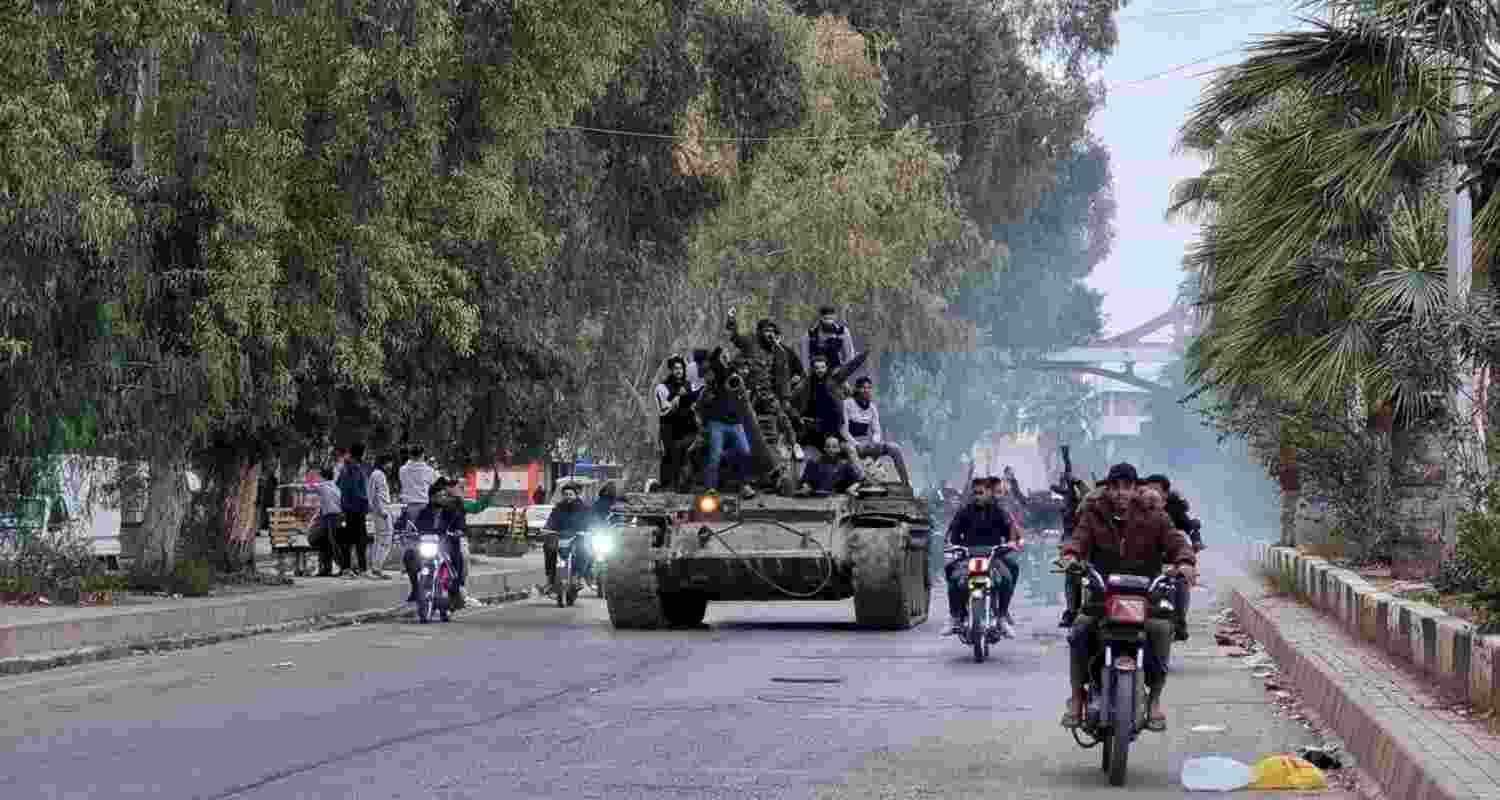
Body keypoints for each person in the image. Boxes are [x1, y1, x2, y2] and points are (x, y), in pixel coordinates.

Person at [1058, 463, 1197, 732]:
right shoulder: (1093, 514)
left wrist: (1185, 561)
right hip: (1103, 595)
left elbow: (1175, 541)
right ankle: (1077, 698)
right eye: (1116, 487)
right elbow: (1079, 539)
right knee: (1080, 629)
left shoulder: (1155, 516)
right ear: (1107, 490)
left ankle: (1155, 700)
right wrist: (1071, 556)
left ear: (1136, 490)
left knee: (1161, 629)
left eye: (1127, 487)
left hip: (1146, 597)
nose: (1122, 493)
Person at [943, 476, 1020, 638]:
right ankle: (955, 616)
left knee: (1008, 575)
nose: (977, 496)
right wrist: (951, 544)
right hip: (968, 555)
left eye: (981, 493)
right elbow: (953, 533)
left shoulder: (1000, 511)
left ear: (989, 493)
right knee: (953, 575)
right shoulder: (965, 511)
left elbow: (1011, 530)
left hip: (993, 555)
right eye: (975, 493)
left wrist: (1012, 543)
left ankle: (1002, 617)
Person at [1143, 474, 1202, 641]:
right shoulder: (1134, 511)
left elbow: (1181, 537)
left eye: (1156, 491)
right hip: (1143, 562)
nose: (1151, 494)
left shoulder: (1172, 513)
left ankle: (1179, 622)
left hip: (1168, 559)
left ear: (1166, 496)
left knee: (1180, 582)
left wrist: (1186, 558)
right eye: (1147, 490)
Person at [696, 347, 756, 499]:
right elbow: (712, 369)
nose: (726, 358)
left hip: (735, 423)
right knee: (714, 455)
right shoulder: (717, 373)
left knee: (745, 451)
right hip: (717, 423)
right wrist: (717, 357)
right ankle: (711, 488)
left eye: (727, 355)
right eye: (723, 356)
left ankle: (744, 485)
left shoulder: (735, 373)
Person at [400, 478, 469, 606]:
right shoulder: (424, 512)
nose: (441, 498)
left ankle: (454, 590)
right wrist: (406, 532)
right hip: (427, 547)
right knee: (409, 555)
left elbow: (460, 523)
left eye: (442, 495)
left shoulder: (452, 511)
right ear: (431, 498)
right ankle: (416, 589)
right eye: (437, 496)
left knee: (457, 557)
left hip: (446, 545)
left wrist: (459, 530)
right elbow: (414, 526)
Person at [842, 376, 911, 486]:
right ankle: (864, 480)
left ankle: (905, 482)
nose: (866, 390)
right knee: (851, 448)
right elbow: (844, 430)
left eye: (869, 388)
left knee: (894, 447)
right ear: (857, 389)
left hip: (867, 444)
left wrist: (875, 442)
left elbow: (877, 430)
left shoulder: (872, 407)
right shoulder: (847, 404)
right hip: (851, 443)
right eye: (863, 388)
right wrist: (856, 444)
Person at [656, 355, 702, 492]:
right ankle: (669, 485)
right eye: (675, 368)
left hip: (689, 428)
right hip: (671, 428)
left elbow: (697, 401)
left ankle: (687, 484)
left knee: (688, 453)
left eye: (681, 368)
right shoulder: (663, 387)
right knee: (669, 456)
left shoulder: (689, 385)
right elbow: (664, 411)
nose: (679, 371)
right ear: (670, 370)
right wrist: (677, 397)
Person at [541, 483, 593, 593]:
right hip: (560, 537)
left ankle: (577, 577)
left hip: (577, 537)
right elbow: (551, 521)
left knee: (584, 550)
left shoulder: (584, 508)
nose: (568, 496)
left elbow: (588, 522)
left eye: (570, 494)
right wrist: (546, 529)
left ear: (576, 495)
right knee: (548, 547)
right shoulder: (558, 508)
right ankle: (550, 579)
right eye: (565, 494)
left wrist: (586, 531)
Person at [336, 443, 373, 578]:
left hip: (349, 509)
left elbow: (339, 487)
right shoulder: (353, 469)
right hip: (355, 509)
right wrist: (366, 503)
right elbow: (358, 491)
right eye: (364, 453)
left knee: (352, 540)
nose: (366, 455)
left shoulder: (346, 468)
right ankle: (358, 569)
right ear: (360, 454)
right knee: (358, 540)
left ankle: (350, 568)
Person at [798, 435, 865, 495]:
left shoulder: (845, 465)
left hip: (836, 499)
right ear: (824, 448)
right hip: (816, 499)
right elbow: (804, 480)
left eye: (834, 447)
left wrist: (852, 488)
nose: (831, 449)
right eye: (828, 447)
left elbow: (859, 481)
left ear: (839, 449)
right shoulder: (813, 463)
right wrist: (806, 487)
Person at [366, 456, 396, 580]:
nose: (391, 466)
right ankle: (377, 568)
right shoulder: (379, 475)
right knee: (385, 539)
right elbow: (378, 495)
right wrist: (382, 511)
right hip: (381, 511)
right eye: (390, 463)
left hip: (379, 510)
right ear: (385, 463)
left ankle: (376, 567)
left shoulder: (376, 474)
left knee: (380, 539)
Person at [804, 305, 855, 372]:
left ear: (835, 318)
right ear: (820, 318)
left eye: (831, 318)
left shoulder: (843, 331)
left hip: (836, 370)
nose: (828, 321)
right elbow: (805, 357)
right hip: (816, 371)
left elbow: (850, 354)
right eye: (825, 318)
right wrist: (807, 372)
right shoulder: (810, 334)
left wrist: (844, 371)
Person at [312, 467, 342, 576]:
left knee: (333, 543)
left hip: (331, 517)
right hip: (336, 516)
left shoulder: (323, 486)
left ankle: (342, 567)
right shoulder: (335, 487)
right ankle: (326, 568)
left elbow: (308, 487)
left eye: (319, 477)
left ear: (323, 477)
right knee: (326, 542)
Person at [399, 445, 438, 517]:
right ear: (423, 455)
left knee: (407, 526)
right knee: (421, 527)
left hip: (406, 505)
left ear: (410, 455)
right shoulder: (429, 470)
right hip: (422, 505)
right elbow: (434, 483)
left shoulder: (402, 469)